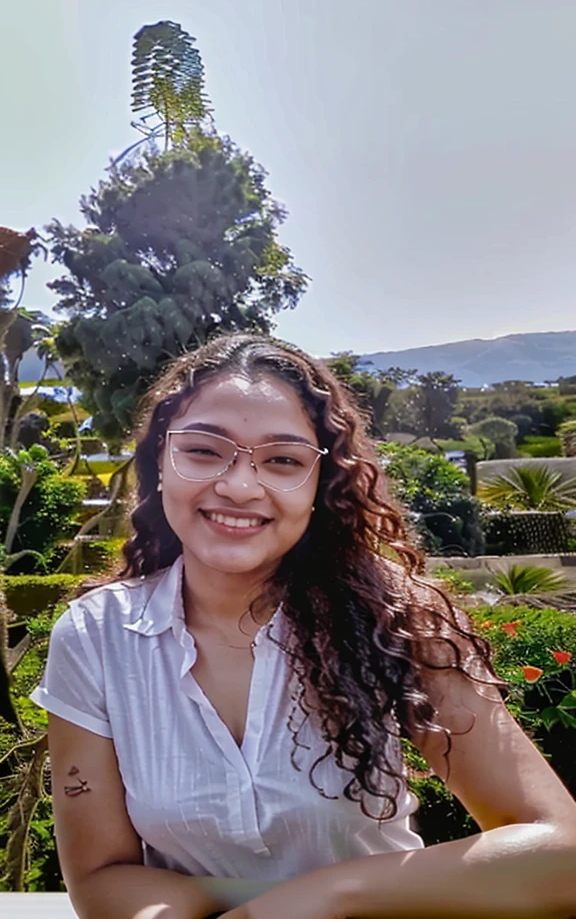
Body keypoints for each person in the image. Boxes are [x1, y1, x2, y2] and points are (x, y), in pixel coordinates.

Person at [30, 333, 576, 919]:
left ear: (322, 484)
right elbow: (100, 876)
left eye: (283, 460)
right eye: (203, 451)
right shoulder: (96, 636)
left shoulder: (393, 617)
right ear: (159, 462)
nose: (240, 486)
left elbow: (560, 852)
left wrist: (329, 895)